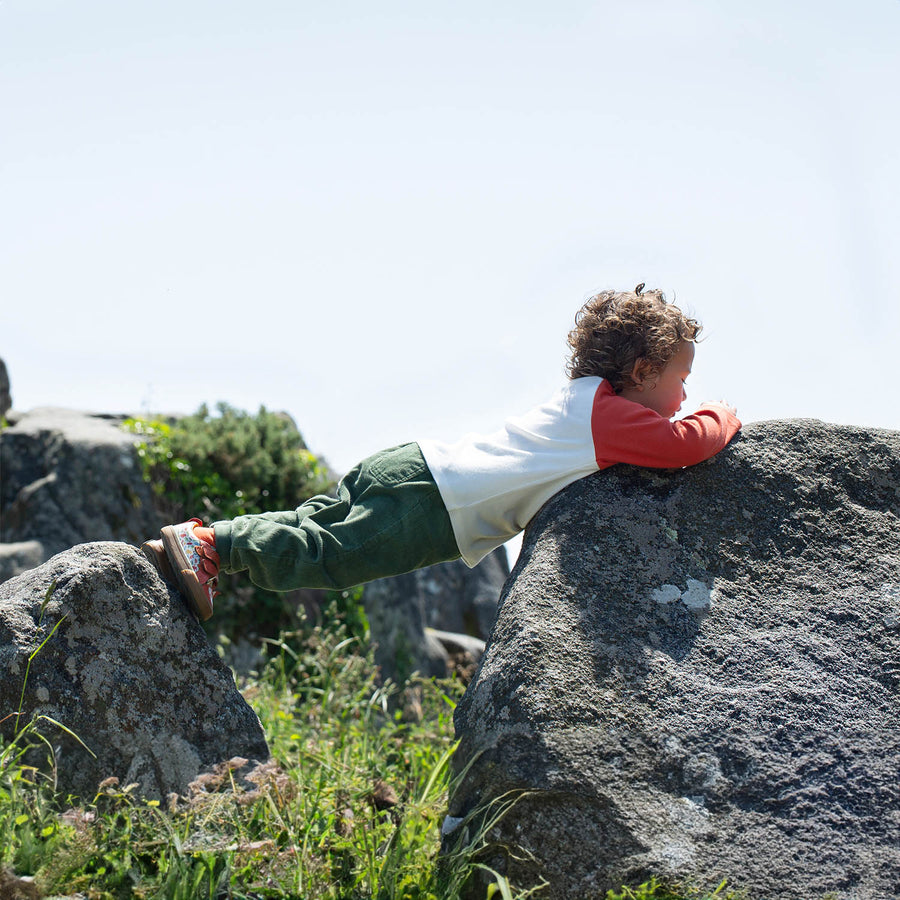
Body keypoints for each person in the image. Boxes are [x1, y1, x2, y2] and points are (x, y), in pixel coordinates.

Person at [142, 284, 741, 621]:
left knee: (314, 524)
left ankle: (210, 539)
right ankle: (210, 545)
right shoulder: (608, 416)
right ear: (642, 370)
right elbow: (680, 446)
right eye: (681, 378)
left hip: (418, 470)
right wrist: (724, 417)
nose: (686, 395)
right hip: (435, 501)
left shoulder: (585, 404)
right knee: (332, 554)